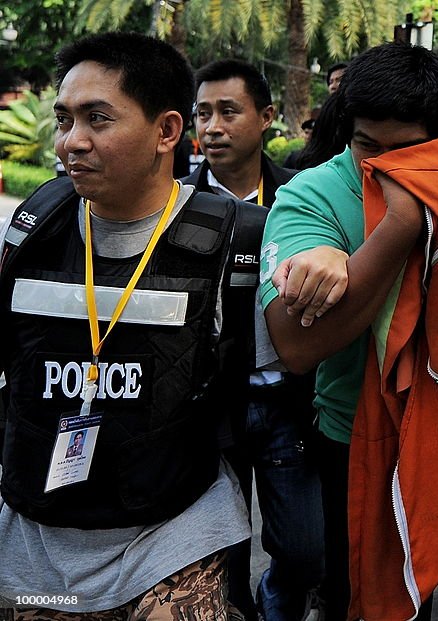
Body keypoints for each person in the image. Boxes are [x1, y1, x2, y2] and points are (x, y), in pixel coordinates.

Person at [260, 42, 438, 620]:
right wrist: (402, 221)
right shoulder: (310, 196)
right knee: (380, 608)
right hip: (365, 446)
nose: (384, 164)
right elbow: (296, 347)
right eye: (369, 146)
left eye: (407, 151)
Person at [0, 32, 263, 618]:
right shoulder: (28, 230)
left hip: (172, 542)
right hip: (34, 551)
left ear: (167, 132)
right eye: (64, 120)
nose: (73, 142)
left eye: (98, 119)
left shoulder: (236, 242)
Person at [183, 59, 323, 621]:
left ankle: (279, 604)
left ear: (266, 117)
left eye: (227, 112)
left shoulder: (301, 199)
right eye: (203, 113)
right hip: (210, 409)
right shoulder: (175, 205)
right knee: (221, 556)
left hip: (288, 402)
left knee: (305, 550)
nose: (212, 127)